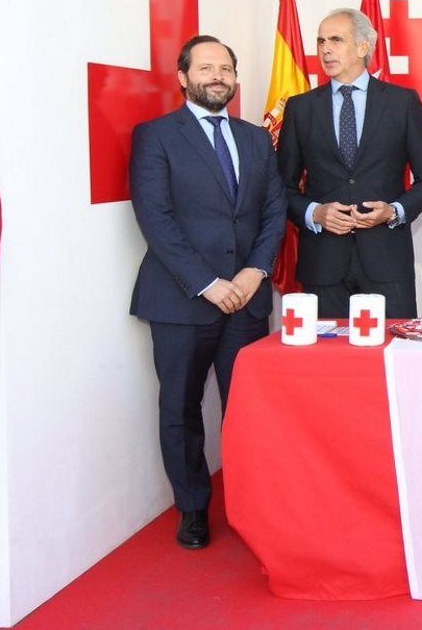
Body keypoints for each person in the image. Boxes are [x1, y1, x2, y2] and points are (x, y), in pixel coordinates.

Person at [129, 35, 285, 549]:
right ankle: (193, 508)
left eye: (226, 68)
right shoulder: (155, 136)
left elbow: (272, 212)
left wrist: (255, 272)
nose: (217, 76)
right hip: (181, 299)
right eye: (206, 67)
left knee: (249, 410)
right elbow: (156, 218)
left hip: (246, 298)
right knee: (181, 406)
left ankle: (256, 507)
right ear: (183, 76)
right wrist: (208, 283)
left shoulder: (257, 139)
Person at [277, 8, 422, 319]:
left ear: (364, 47)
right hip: (322, 265)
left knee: (390, 357)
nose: (325, 49)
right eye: (321, 41)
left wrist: (393, 211)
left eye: (336, 40)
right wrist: (315, 213)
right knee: (327, 365)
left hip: (387, 262)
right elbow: (281, 186)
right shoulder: (300, 109)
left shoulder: (401, 103)